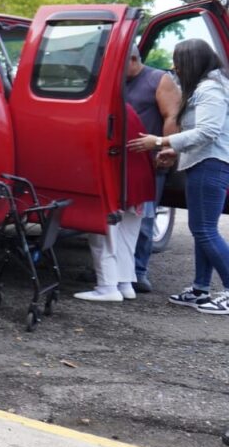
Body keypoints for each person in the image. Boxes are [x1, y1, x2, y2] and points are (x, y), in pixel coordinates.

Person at [128, 38, 229, 315]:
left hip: (211, 165)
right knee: (201, 231)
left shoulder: (211, 90)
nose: (177, 70)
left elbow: (208, 132)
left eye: (180, 64)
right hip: (202, 163)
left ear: (193, 63)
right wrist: (173, 150)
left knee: (205, 230)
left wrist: (160, 141)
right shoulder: (209, 87)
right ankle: (200, 289)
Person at [76, 105, 155, 302]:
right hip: (139, 180)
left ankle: (107, 286)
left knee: (103, 236)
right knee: (127, 237)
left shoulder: (103, 106)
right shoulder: (127, 107)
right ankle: (125, 283)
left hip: (117, 180)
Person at [124, 43, 181, 292]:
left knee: (144, 219)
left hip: (149, 161)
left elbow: (172, 116)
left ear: (134, 59)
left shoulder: (159, 79)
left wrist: (163, 150)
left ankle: (138, 271)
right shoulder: (115, 79)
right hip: (119, 160)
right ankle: (114, 269)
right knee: (116, 218)